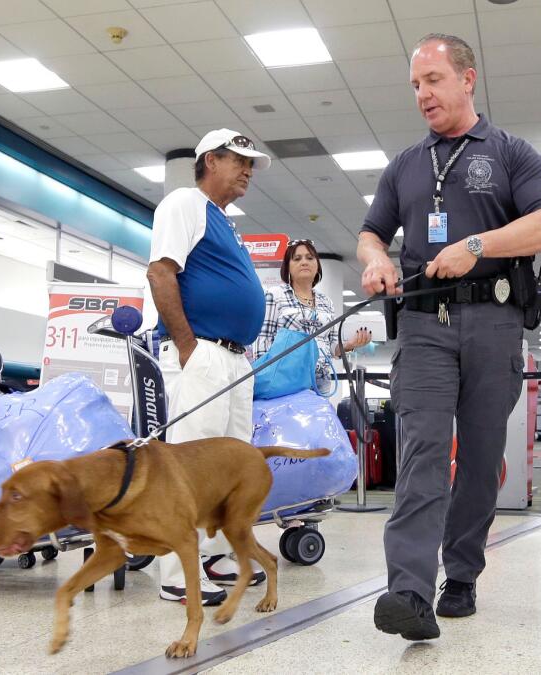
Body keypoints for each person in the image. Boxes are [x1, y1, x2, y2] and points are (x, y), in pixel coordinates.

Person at [358, 33, 541, 640]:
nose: (423, 94)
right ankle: (409, 593)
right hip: (423, 325)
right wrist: (375, 259)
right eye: (416, 85)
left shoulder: (509, 152)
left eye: (434, 80)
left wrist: (477, 246)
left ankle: (464, 574)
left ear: (467, 79)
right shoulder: (403, 165)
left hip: (494, 322)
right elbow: (372, 231)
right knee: (422, 451)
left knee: (479, 460)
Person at [146, 128, 272, 604]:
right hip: (203, 353)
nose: (248, 171)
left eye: (250, 163)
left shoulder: (224, 221)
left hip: (234, 359)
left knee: (230, 467)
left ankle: (217, 554)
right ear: (210, 161)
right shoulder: (184, 203)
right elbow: (161, 272)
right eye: (239, 160)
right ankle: (177, 573)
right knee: (190, 464)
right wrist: (187, 346)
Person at [252, 239, 372, 391]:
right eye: (297, 258)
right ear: (287, 266)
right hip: (284, 379)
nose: (304, 262)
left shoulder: (326, 302)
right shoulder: (275, 295)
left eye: (310, 258)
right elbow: (262, 341)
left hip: (320, 380)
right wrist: (266, 377)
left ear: (317, 265)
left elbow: (333, 346)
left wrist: (350, 345)